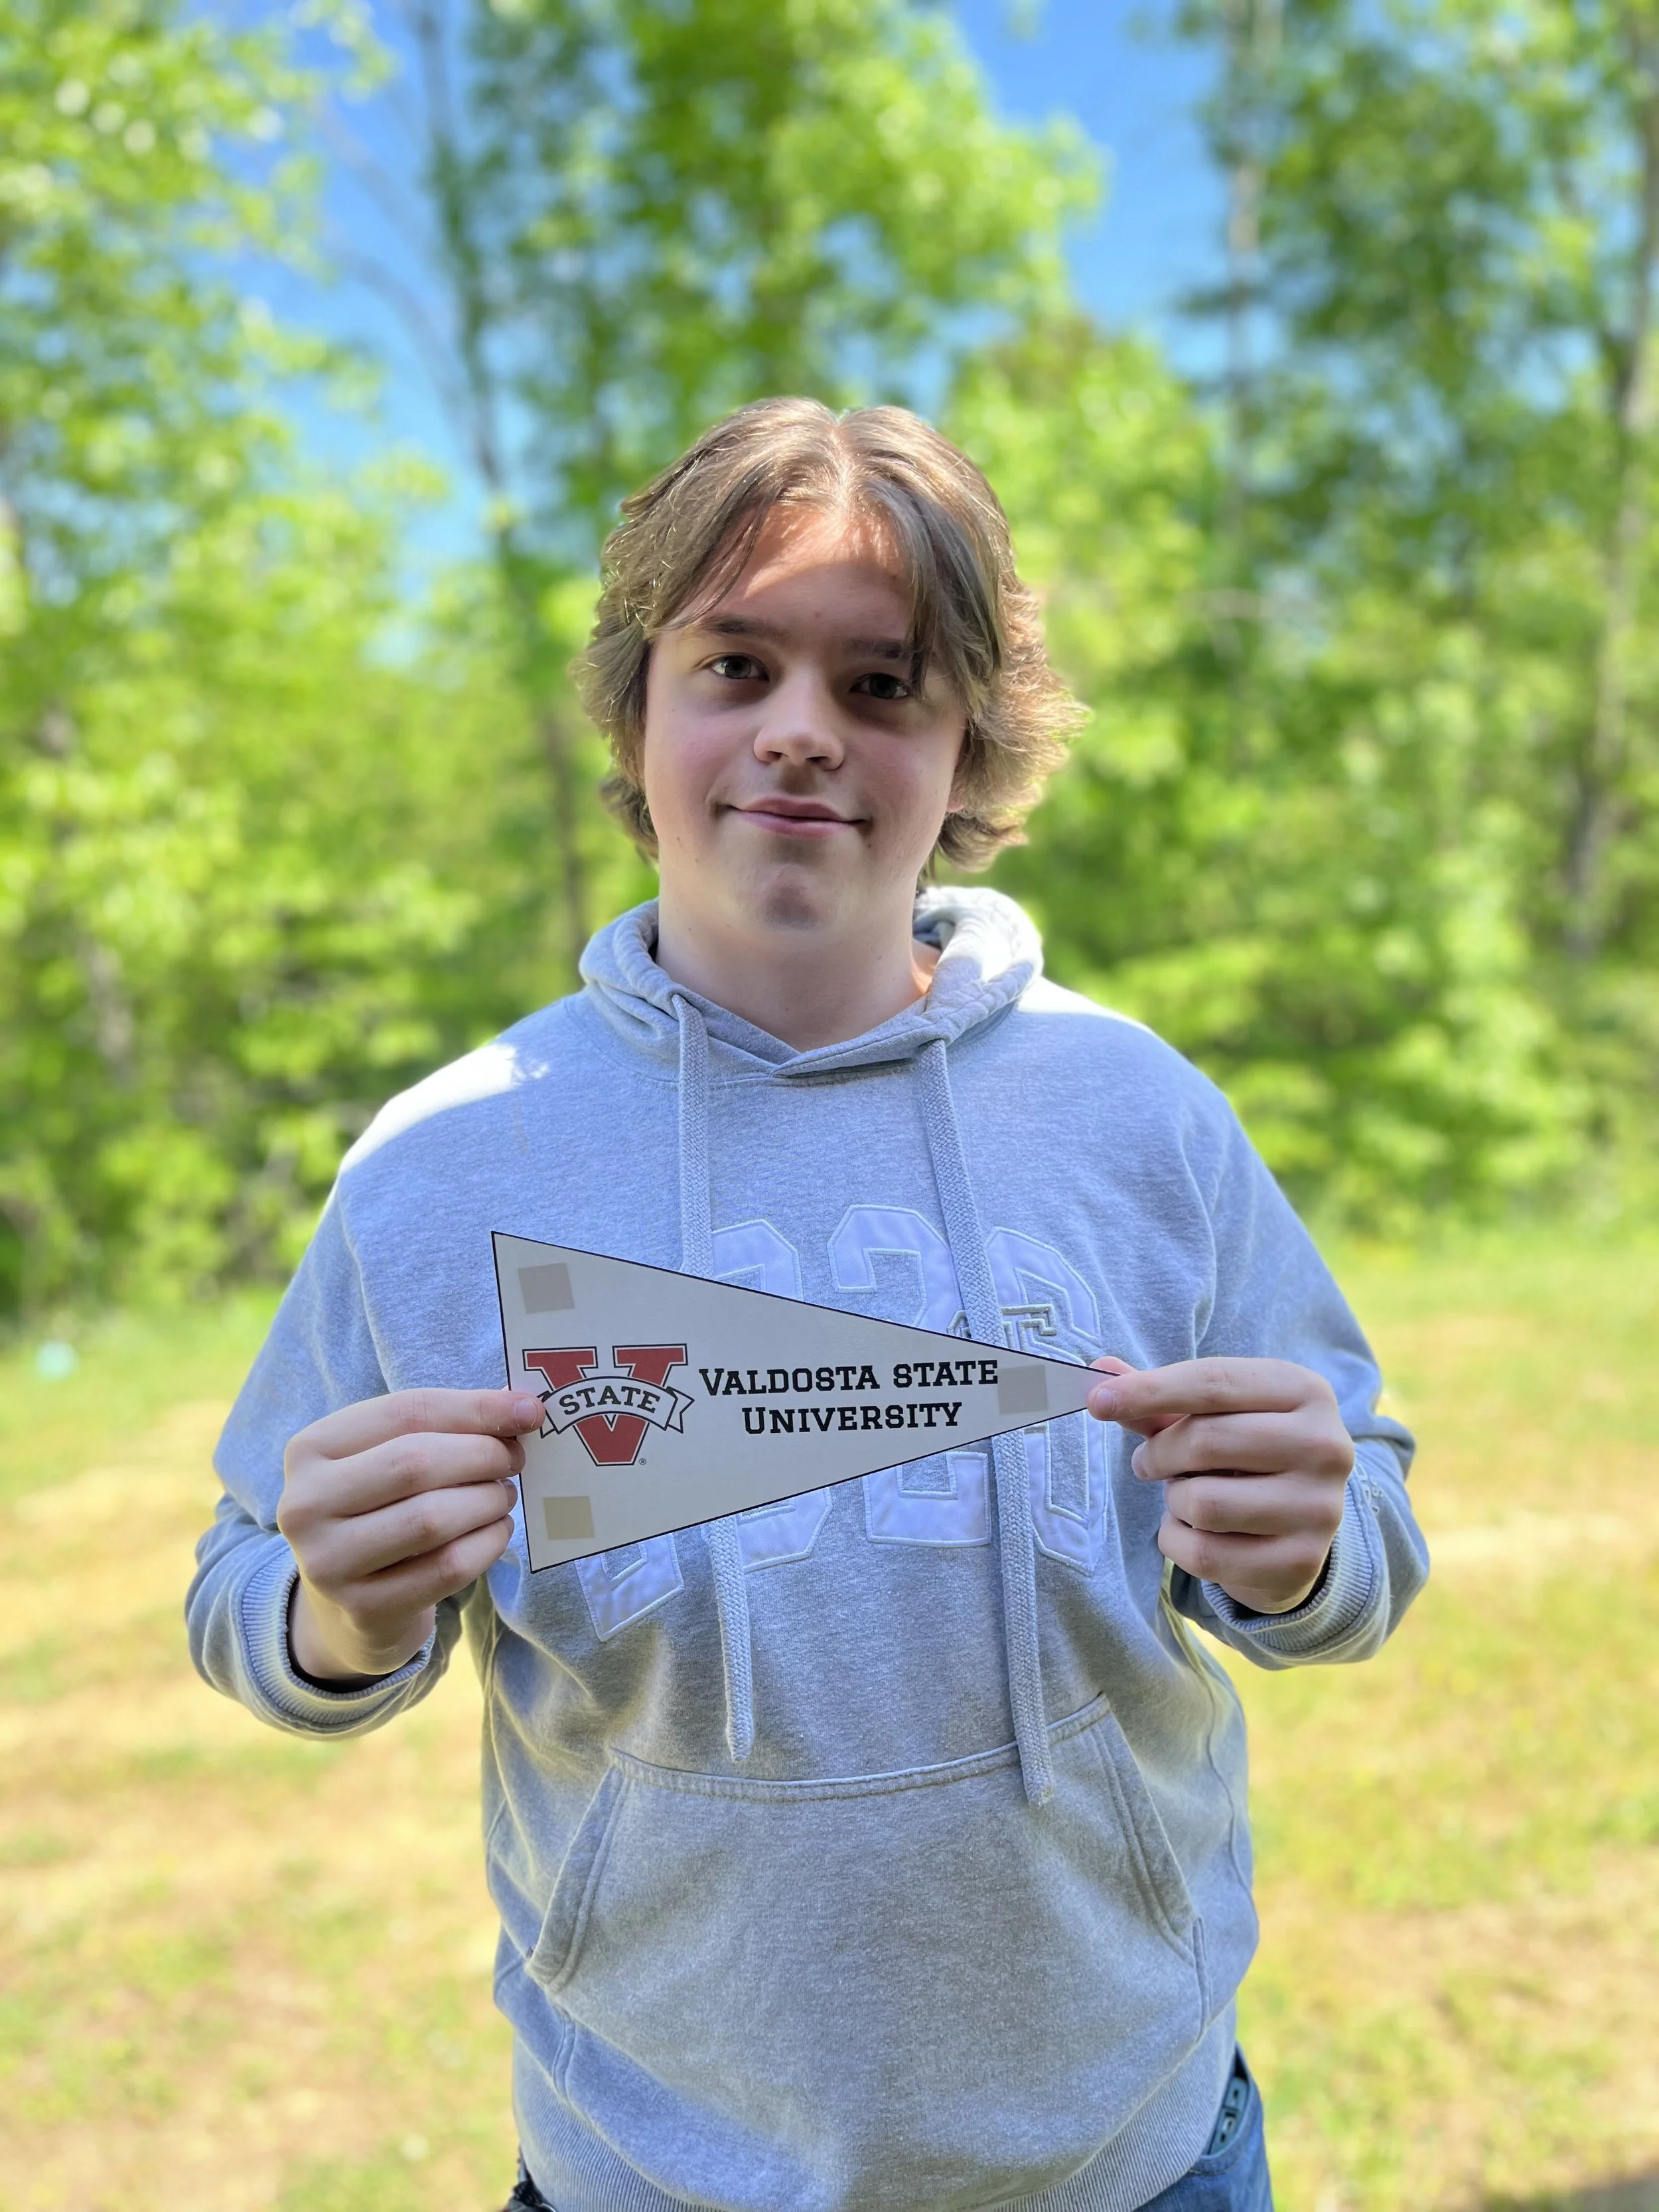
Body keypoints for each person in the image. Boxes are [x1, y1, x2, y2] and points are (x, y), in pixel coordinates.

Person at [188, 397, 1428, 2212]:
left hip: (1130, 2151)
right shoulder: (441, 1165)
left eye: (880, 683)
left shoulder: (1137, 1115)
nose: (796, 730)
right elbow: (243, 1595)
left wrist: (1306, 1549)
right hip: (650, 2164)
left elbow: (1362, 1524)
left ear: (967, 750)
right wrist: (338, 1618)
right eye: (736, 662)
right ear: (635, 704)